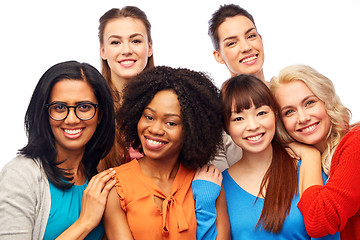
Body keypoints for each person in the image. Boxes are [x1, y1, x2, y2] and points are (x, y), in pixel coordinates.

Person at [102, 66, 230, 239]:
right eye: (149, 117)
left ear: (192, 130)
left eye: (170, 123)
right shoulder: (115, 187)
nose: (155, 129)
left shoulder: (208, 182)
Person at [0, 61, 116, 239]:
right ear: (44, 113)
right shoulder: (20, 174)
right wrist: (85, 222)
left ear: (100, 114)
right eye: (59, 107)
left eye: (84, 107)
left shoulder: (97, 177)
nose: (71, 119)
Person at [218, 74, 338, 239]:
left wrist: (310, 155)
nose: (253, 126)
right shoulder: (221, 185)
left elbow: (326, 233)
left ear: (275, 115)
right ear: (227, 127)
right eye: (238, 118)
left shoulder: (307, 167)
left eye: (261, 113)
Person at [270, 64, 360, 240]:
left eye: (309, 103)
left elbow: (319, 220)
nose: (303, 118)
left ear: (327, 101)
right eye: (289, 112)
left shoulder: (356, 143)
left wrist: (309, 155)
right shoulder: (301, 165)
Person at [208, 4, 266, 171]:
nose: (246, 47)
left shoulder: (287, 93)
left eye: (251, 36)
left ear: (260, 39)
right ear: (218, 55)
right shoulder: (215, 113)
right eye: (232, 43)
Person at [98, 6, 154, 170]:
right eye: (115, 42)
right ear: (103, 51)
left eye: (135, 41)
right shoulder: (92, 105)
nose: (127, 50)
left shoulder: (171, 100)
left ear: (149, 47)